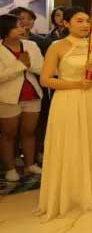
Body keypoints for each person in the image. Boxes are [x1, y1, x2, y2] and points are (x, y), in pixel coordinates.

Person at [38, 6, 92, 220]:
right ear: (66, 23)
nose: (85, 25)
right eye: (79, 21)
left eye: (88, 20)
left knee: (91, 142)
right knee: (69, 143)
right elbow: (45, 79)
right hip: (67, 99)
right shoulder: (57, 47)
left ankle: (89, 191)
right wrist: (77, 84)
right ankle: (67, 193)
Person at [0, 14, 44, 182]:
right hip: (8, 97)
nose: (22, 28)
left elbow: (41, 67)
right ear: (5, 30)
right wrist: (20, 65)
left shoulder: (31, 45)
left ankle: (30, 164)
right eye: (17, 26)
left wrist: (28, 65)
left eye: (22, 25)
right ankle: (10, 169)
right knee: (8, 135)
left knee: (30, 132)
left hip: (32, 94)